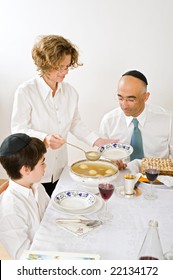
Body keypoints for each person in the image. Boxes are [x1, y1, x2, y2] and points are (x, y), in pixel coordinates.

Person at [11, 35, 117, 196]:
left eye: (67, 66)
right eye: (60, 67)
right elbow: (18, 130)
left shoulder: (70, 93)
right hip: (33, 171)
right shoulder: (26, 91)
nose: (65, 72)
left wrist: (96, 141)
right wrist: (44, 138)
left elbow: (75, 124)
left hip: (61, 169)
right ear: (45, 64)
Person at [99, 70, 173, 167]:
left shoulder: (168, 120)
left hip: (157, 178)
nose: (124, 106)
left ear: (146, 97)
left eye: (131, 99)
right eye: (120, 98)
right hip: (120, 177)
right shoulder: (109, 121)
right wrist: (111, 162)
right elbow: (102, 157)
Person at [0, 133, 50, 259]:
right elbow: (25, 258)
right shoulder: (10, 210)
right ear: (26, 170)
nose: (45, 166)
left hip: (51, 241)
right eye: (42, 163)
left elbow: (50, 214)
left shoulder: (37, 186)